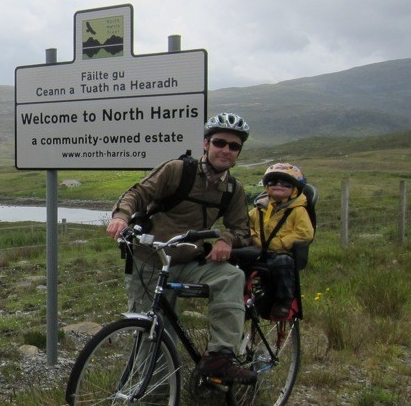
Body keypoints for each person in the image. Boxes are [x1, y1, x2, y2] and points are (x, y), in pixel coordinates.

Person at [105, 112, 256, 383]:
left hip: (189, 262)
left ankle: (220, 358)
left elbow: (242, 230)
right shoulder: (178, 170)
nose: (226, 150)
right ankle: (158, 403)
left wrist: (226, 240)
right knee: (154, 332)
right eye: (220, 142)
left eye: (234, 146)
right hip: (151, 259)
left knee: (231, 276)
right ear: (206, 144)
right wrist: (121, 216)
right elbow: (138, 193)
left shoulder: (233, 189)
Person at [249, 162, 315, 319]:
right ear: (266, 187)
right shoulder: (257, 210)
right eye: (273, 182)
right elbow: (245, 226)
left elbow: (305, 233)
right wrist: (252, 237)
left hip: (283, 253)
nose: (279, 185)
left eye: (286, 182)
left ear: (295, 189)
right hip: (258, 252)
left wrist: (282, 242)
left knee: (282, 263)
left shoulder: (298, 211)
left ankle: (284, 301)